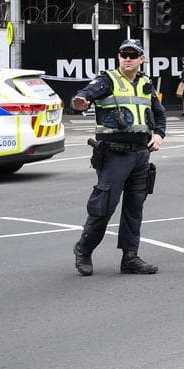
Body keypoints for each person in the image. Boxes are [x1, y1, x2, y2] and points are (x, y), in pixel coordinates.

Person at [69, 39, 166, 276]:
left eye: (133, 55)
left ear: (142, 59)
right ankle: (84, 249)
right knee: (103, 208)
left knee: (135, 208)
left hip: (141, 156)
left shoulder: (145, 83)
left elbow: (158, 113)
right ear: (118, 57)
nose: (128, 58)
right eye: (124, 55)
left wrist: (159, 134)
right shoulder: (107, 80)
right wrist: (80, 103)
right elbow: (84, 96)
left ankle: (130, 257)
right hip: (114, 155)